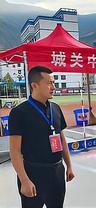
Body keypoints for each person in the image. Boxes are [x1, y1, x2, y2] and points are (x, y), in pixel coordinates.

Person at [9, 66, 74, 208]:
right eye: (49, 83)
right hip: (33, 173)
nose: (54, 87)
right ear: (34, 85)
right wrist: (24, 180)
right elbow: (15, 151)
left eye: (54, 83)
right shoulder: (19, 112)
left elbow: (62, 139)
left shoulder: (56, 108)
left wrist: (69, 166)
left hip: (57, 171)